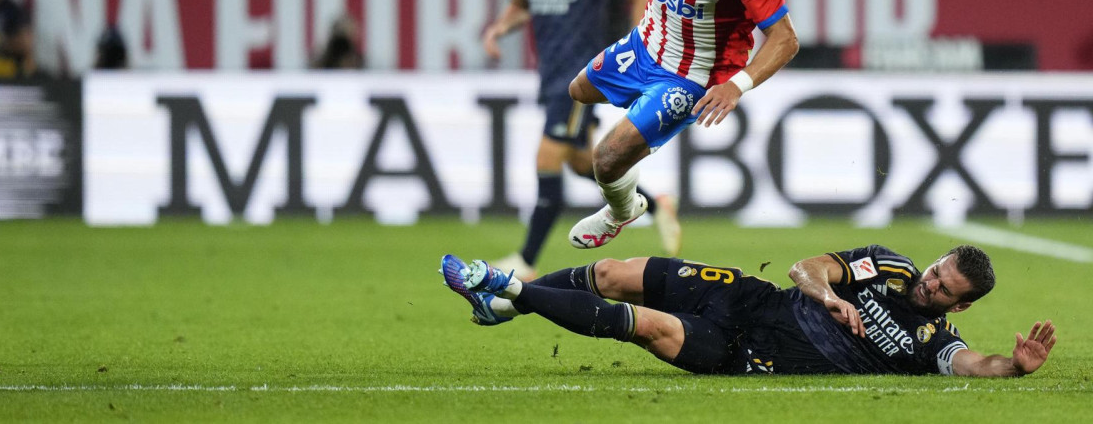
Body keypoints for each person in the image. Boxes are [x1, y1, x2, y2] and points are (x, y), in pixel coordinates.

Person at [565, 0, 799, 249]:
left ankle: (621, 210)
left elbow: (786, 39)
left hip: (691, 77)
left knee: (606, 159)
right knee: (578, 91)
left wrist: (735, 87)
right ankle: (636, 143)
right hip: (645, 44)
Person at [439, 244, 1057, 376]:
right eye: (933, 272)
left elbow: (976, 365)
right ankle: (507, 307)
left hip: (747, 353)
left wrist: (1016, 366)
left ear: (963, 303)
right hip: (747, 296)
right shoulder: (887, 266)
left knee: (648, 327)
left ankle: (508, 288)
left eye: (943, 289)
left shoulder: (934, 344)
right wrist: (830, 296)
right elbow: (806, 269)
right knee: (610, 273)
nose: (927, 286)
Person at [482, 0, 682, 281]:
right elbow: (522, 4)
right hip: (550, 73)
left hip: (579, 80)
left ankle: (525, 261)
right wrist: (498, 28)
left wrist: (639, 48)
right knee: (580, 163)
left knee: (546, 159)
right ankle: (656, 206)